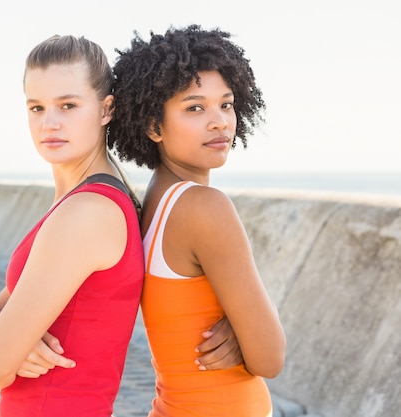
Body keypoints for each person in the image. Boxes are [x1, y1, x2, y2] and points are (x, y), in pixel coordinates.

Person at [0, 34, 244, 417]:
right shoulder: (91, 200)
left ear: (106, 109)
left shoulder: (88, 212)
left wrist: (3, 342)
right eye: (36, 107)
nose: (49, 123)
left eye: (68, 105)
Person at [108, 25, 286, 417]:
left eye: (226, 103)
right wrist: (248, 331)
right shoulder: (205, 207)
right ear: (154, 126)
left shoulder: (152, 202)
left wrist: (245, 330)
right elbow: (270, 357)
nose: (219, 121)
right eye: (195, 107)